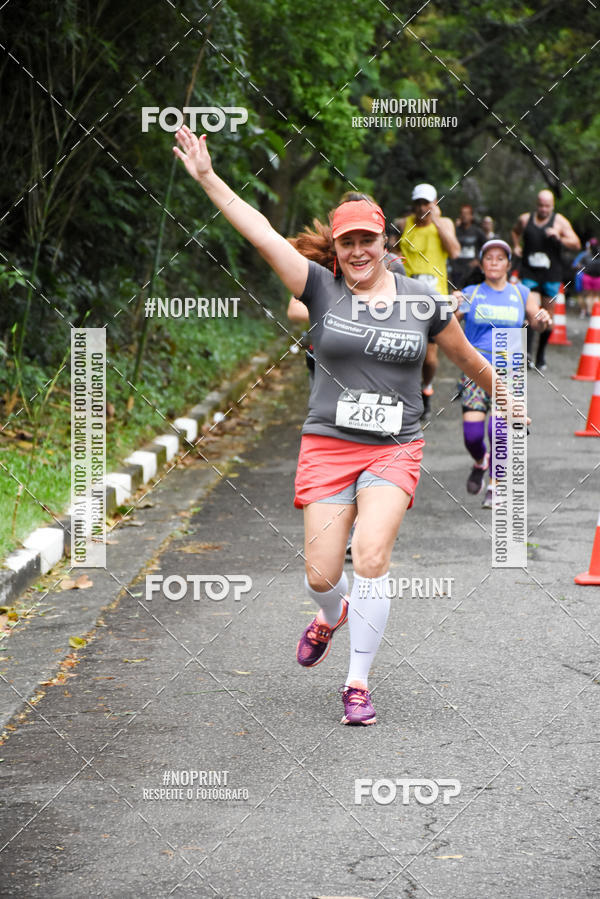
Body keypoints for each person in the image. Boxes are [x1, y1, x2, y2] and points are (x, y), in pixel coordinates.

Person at [173, 126, 519, 726]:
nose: (358, 249)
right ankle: (331, 615)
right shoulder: (320, 288)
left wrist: (506, 397)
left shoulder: (422, 299)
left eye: (368, 238)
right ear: (335, 249)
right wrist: (207, 177)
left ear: (386, 240)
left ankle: (357, 684)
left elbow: (468, 359)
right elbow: (258, 231)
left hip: (394, 448)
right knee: (321, 573)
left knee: (372, 556)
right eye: (347, 241)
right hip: (328, 445)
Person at [454, 239, 550, 508]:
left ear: (509, 264)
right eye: (489, 257)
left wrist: (542, 321)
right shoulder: (470, 293)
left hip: (510, 370)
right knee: (472, 435)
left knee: (498, 429)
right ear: (481, 263)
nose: (494, 262)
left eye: (500, 258)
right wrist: (447, 306)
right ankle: (480, 461)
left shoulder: (522, 293)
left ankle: (495, 486)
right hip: (475, 369)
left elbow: (536, 319)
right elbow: (446, 322)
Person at [396, 183, 461, 421]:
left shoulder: (444, 225)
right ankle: (407, 395)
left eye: (427, 203)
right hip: (406, 296)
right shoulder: (404, 224)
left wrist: (436, 221)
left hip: (436, 298)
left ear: (435, 204)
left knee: (430, 358)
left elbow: (454, 251)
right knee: (407, 350)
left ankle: (427, 387)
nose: (422, 207)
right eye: (419, 203)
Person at [511, 189, 580, 370]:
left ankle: (541, 354)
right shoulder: (525, 219)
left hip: (551, 274)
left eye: (547, 206)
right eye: (540, 205)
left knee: (547, 318)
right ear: (536, 204)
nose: (543, 209)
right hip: (529, 272)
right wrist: (516, 246)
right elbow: (515, 232)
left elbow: (576, 243)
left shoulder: (560, 222)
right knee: (530, 313)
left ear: (552, 206)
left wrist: (560, 237)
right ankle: (527, 355)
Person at [451, 204, 486, 290]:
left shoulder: (477, 232)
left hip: (473, 272)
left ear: (471, 216)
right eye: (462, 213)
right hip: (457, 270)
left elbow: (486, 247)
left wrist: (479, 260)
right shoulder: (454, 231)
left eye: (466, 213)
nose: (464, 216)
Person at [578, 238, 600, 318]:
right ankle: (594, 312)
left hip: (588, 277)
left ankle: (589, 311)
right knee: (596, 296)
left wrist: (584, 268)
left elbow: (578, 265)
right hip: (597, 278)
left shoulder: (586, 254)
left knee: (588, 295)